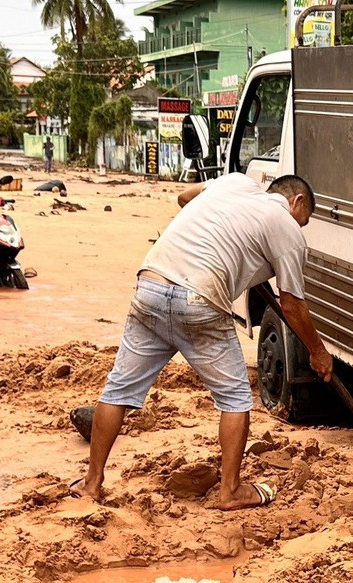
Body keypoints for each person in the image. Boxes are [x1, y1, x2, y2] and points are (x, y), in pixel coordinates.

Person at [77, 173, 331, 510]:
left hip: (151, 284)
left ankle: (91, 483)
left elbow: (184, 197)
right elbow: (293, 304)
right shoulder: (285, 226)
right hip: (199, 301)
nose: (302, 226)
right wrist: (318, 351)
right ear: (296, 202)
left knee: (118, 391)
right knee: (236, 399)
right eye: (305, 220)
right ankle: (231, 491)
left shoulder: (235, 182)